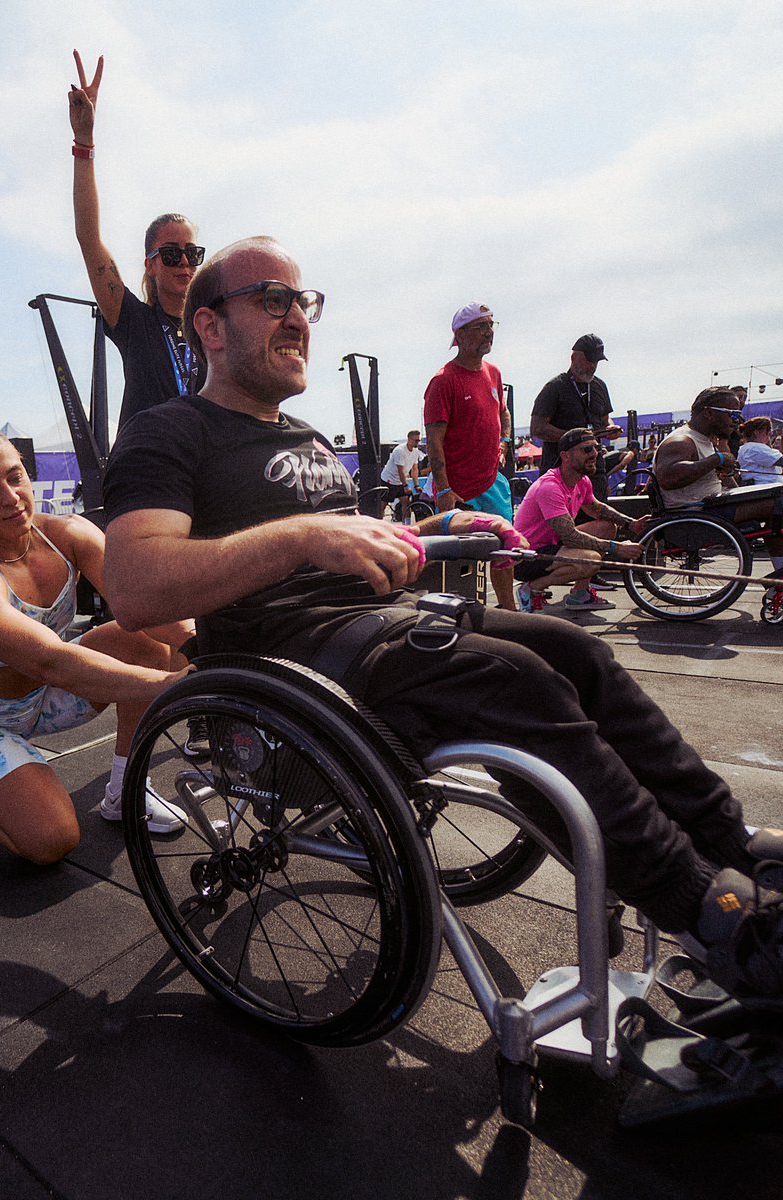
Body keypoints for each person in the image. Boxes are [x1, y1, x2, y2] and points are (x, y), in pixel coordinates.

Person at [100, 236, 783, 1002]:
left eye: (303, 301)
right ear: (210, 327)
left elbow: (351, 549)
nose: (297, 317)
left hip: (374, 625)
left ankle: (731, 843)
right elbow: (133, 586)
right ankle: (709, 912)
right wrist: (303, 535)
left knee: (572, 648)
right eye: (272, 298)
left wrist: (436, 531)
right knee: (515, 678)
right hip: (288, 663)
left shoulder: (304, 436)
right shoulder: (168, 432)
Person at [0, 422, 193, 864]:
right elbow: (52, 660)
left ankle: (125, 790)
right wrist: (175, 686)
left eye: (15, 477)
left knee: (144, 638)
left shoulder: (69, 533)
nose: (12, 497)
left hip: (46, 700)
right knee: (52, 840)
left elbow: (143, 603)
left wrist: (196, 645)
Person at [68, 51, 204, 429]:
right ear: (150, 263)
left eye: (192, 254)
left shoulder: (213, 329)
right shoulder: (133, 321)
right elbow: (88, 238)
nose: (185, 264)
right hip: (148, 473)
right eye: (172, 254)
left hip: (202, 474)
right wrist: (84, 144)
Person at [423, 303, 516, 609]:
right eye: (480, 327)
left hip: (492, 483)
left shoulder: (494, 373)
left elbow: (503, 411)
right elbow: (434, 443)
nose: (489, 332)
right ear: (460, 335)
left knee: (505, 550)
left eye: (491, 325)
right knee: (462, 559)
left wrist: (503, 441)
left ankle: (508, 611)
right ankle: (459, 619)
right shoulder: (443, 381)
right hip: (458, 489)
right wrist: (444, 489)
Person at [512, 428, 649, 612]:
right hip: (526, 558)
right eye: (586, 450)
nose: (594, 454)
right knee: (591, 560)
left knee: (607, 527)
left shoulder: (582, 481)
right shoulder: (550, 487)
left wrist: (631, 523)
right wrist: (617, 548)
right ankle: (531, 589)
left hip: (552, 545)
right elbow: (570, 537)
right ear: (565, 456)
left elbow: (597, 509)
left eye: (596, 448)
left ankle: (579, 594)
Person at [654, 387, 783, 579]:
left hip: (708, 508)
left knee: (776, 501)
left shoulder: (704, 440)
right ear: (709, 412)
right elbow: (668, 478)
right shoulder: (681, 440)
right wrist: (717, 460)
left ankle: (779, 577)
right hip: (695, 515)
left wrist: (730, 477)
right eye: (732, 414)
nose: (737, 420)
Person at [529, 334, 624, 503]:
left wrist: (610, 429)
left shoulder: (600, 386)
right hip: (561, 472)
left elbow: (605, 420)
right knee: (562, 525)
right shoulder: (555, 388)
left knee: (599, 518)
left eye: (596, 361)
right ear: (574, 357)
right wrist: (575, 439)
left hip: (593, 470)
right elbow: (537, 429)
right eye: (589, 360)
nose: (593, 366)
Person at [381, 430, 423, 519]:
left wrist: (416, 485)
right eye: (416, 440)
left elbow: (414, 469)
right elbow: (401, 470)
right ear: (409, 439)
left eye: (418, 440)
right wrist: (405, 486)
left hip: (400, 482)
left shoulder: (416, 451)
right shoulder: (400, 451)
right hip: (389, 480)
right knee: (382, 505)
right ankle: (377, 523)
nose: (417, 443)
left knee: (406, 503)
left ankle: (406, 525)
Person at [737, 416, 783, 485]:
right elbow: (780, 461)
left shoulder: (747, 447)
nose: (770, 433)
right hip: (765, 489)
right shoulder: (753, 447)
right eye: (767, 430)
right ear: (756, 432)